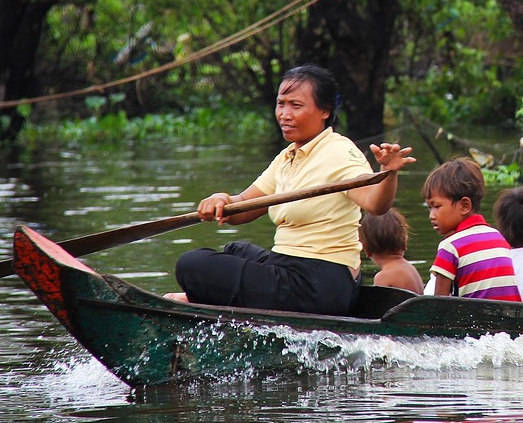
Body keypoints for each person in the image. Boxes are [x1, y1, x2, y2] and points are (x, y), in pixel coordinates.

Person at [167, 64, 415, 314]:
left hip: (319, 283)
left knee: (190, 265)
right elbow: (242, 207)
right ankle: (206, 295)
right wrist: (221, 200)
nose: (285, 114)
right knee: (235, 249)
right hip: (289, 268)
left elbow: (376, 204)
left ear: (325, 111)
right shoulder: (287, 156)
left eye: (296, 106)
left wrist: (388, 174)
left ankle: (199, 297)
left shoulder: (339, 151)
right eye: (281, 103)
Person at [424, 158, 521, 301]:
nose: (431, 215)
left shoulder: (450, 246)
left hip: (475, 319)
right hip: (510, 318)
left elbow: (439, 304)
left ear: (464, 206)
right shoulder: (498, 237)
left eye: (437, 206)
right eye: (429, 208)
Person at [359, 208, 424, 294]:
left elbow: (379, 306)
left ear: (366, 249)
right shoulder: (410, 269)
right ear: (404, 242)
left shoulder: (383, 277)